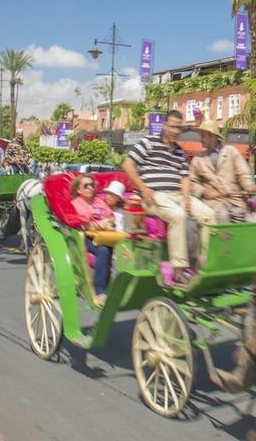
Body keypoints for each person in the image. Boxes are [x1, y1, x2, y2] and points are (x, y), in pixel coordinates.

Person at [122, 110, 216, 284]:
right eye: (172, 127)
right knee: (178, 216)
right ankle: (178, 269)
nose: (174, 131)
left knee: (209, 215)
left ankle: (205, 262)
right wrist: (143, 189)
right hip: (154, 195)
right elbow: (128, 165)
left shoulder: (180, 152)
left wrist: (187, 198)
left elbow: (185, 177)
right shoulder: (148, 143)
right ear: (164, 125)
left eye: (178, 128)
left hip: (177, 195)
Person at [70, 174, 127, 306]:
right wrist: (100, 224)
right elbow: (82, 223)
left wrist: (108, 223)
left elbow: (111, 216)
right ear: (79, 190)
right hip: (88, 236)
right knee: (103, 251)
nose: (90, 188)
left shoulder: (98, 201)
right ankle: (100, 290)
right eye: (86, 185)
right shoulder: (76, 203)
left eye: (92, 185)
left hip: (107, 234)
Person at [188, 119, 256, 223]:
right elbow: (192, 181)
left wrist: (248, 185)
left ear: (212, 136)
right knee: (223, 215)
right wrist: (203, 191)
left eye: (203, 136)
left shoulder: (231, 151)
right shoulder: (198, 159)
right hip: (212, 201)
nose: (201, 140)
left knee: (241, 213)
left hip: (234, 198)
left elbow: (243, 173)